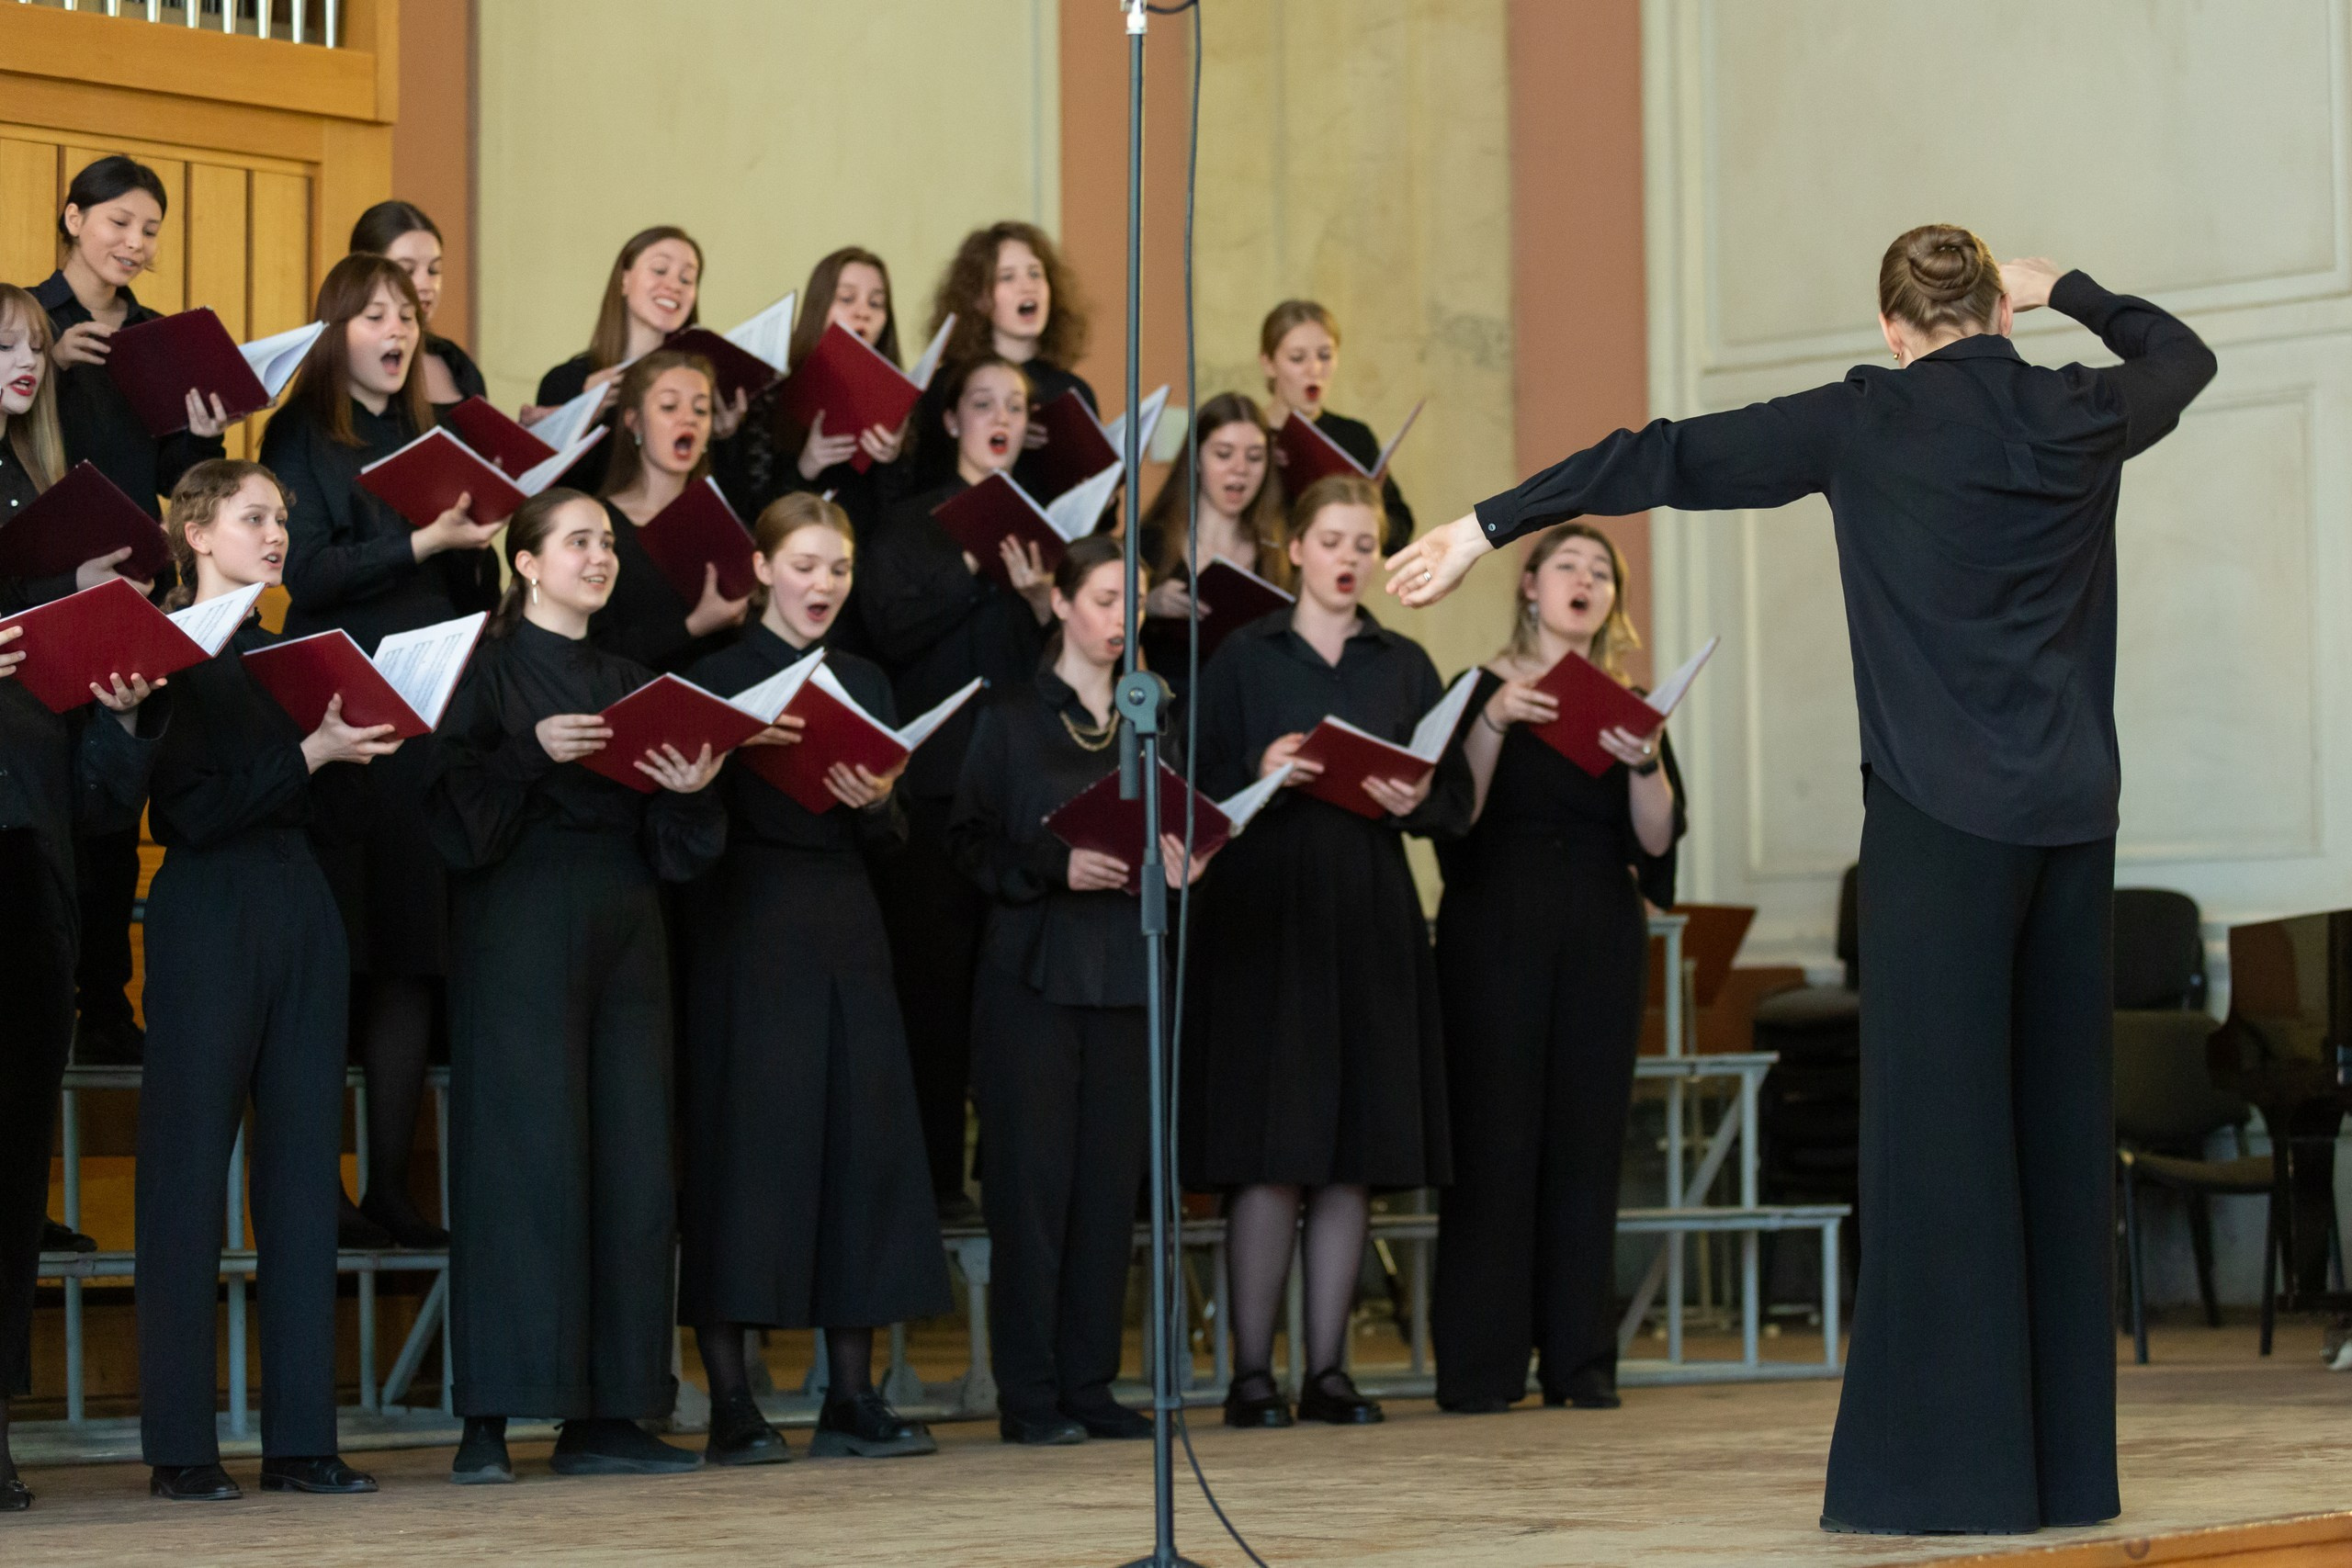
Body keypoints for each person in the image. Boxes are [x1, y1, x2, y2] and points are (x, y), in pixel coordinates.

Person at [1384, 229, 2217, 1536]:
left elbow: (1662, 455)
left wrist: (1487, 525)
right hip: (2073, 818)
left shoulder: (1863, 417)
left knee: (1938, 1143)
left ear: (1891, 326)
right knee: (2054, 1136)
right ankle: (2063, 1472)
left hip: (1940, 823)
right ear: (2000, 311)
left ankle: (1947, 1479)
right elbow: (2184, 356)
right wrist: (2069, 289)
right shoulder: (2077, 405)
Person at [426, 489, 726, 1485]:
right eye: (580, 541)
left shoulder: (634, 678)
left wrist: (691, 793)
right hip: (518, 914)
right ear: (525, 561)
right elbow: (446, 814)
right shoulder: (482, 668)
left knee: (633, 1162)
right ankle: (488, 1413)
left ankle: (612, 1411)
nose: (601, 557)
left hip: (627, 918)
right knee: (519, 1161)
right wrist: (528, 754)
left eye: (608, 543)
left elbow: (676, 849)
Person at [1183, 474, 1470, 1429]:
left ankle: (1330, 1373)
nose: (1349, 558)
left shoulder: (1402, 662)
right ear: (1295, 548)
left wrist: (1413, 798)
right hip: (1265, 912)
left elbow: (1451, 801)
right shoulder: (1242, 656)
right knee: (1270, 1148)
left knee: (1352, 1149)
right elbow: (1190, 781)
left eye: (1364, 544)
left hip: (1369, 910)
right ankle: (1250, 1376)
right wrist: (1258, 767)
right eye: (1333, 540)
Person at [138, 460, 398, 1502]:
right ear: (197, 531)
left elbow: (327, 815)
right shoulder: (165, 652)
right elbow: (188, 813)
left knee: (300, 1179)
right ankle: (181, 1449)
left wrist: (357, 743)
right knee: (186, 1179)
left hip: (303, 908)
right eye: (255, 517)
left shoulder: (288, 658)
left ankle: (301, 1440)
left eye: (283, 518)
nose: (277, 532)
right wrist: (311, 753)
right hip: (207, 913)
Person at [678, 492, 946, 1465]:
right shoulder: (717, 678)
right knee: (744, 1156)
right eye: (804, 564)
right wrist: (706, 773)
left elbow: (894, 838)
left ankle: (851, 1396)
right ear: (760, 570)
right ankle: (733, 1405)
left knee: (860, 1151)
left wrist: (876, 802)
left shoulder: (865, 678)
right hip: (747, 924)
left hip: (847, 923)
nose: (824, 583)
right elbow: (679, 836)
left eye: (838, 567)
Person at [264, 252, 502, 1251]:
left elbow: (474, 597)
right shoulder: (300, 436)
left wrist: (478, 541)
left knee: (408, 956)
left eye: (405, 315)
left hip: (422, 716)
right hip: (337, 713)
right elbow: (307, 575)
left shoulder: (432, 438)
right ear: (336, 332)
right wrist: (420, 543)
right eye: (373, 315)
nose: (396, 330)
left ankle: (393, 1189)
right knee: (339, 960)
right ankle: (315, 1191)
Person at [950, 536, 1210, 1444]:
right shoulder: (1011, 715)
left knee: (1108, 1188)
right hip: (1034, 973)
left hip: (1128, 971)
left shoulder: (1154, 714)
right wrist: (1054, 866)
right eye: (1103, 599)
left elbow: (1183, 822)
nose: (1120, 618)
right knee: (1032, 1189)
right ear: (1060, 604)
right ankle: (1029, 1392)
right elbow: (967, 842)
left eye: (1132, 602)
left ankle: (1090, 1382)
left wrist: (1184, 862)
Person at [1430, 524, 1683, 1416]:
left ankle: (1580, 1361)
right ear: (1529, 585)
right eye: (1567, 566)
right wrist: (1496, 721)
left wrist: (1643, 759)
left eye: (1600, 573)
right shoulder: (1477, 690)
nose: (1585, 580)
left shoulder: (1627, 703)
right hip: (1494, 924)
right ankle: (1480, 1367)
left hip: (1598, 929)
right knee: (1492, 1141)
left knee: (1587, 1142)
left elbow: (1657, 841)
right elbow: (1453, 816)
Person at [0, 289, 163, 1512]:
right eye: (0, 347)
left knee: (14, 1158)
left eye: (29, 347)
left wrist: (117, 702)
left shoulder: (41, 502)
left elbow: (102, 795)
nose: (24, 362)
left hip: (34, 855)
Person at [36, 153, 231, 1069]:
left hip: (131, 585)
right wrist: (44, 366)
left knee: (117, 802)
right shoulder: (27, 322)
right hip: (40, 588)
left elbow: (179, 484)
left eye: (150, 230)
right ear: (74, 218)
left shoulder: (156, 340)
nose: (136, 243)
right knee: (49, 804)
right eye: (118, 222)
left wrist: (202, 435)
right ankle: (47, 998)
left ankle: (106, 1003)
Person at [861, 355, 1053, 1215]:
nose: (1000, 417)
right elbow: (887, 628)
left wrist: (1045, 607)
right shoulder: (911, 521)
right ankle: (934, 1185)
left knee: (1015, 1005)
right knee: (932, 997)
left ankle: (1013, 1183)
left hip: (1020, 793)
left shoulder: (1046, 531)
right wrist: (974, 567)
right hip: (935, 790)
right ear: (951, 420)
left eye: (1015, 405)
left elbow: (1059, 673)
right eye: (984, 403)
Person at [526, 225, 744, 493]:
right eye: (660, 270)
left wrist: (724, 438)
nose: (674, 286)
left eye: (687, 279)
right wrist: (583, 412)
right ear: (624, 280)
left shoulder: (700, 382)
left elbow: (732, 499)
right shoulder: (567, 381)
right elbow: (549, 497)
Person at [592, 349, 749, 672]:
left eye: (701, 409)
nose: (689, 419)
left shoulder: (722, 520)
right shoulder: (599, 524)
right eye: (669, 406)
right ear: (634, 422)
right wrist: (693, 626)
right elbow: (595, 652)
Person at [917, 221, 1092, 495]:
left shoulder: (1072, 392)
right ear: (979, 298)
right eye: (1008, 277)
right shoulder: (945, 387)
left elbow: (1099, 509)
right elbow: (923, 488)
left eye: (1035, 274)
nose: (1027, 287)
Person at [1133, 389, 1288, 694]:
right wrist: (1145, 605)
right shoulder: (1149, 543)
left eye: (1255, 457)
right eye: (1224, 454)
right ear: (1196, 459)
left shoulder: (1276, 553)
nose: (1240, 469)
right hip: (1172, 711)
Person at [1258, 300, 1414, 553]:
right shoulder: (1249, 435)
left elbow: (1399, 534)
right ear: (1268, 364)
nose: (1314, 369)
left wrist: (1369, 507)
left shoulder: (1354, 436)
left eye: (1325, 356)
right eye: (1297, 358)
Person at [347, 198, 487, 412]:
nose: (426, 285)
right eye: (407, 270)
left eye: (433, 270)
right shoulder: (354, 370)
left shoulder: (455, 361)